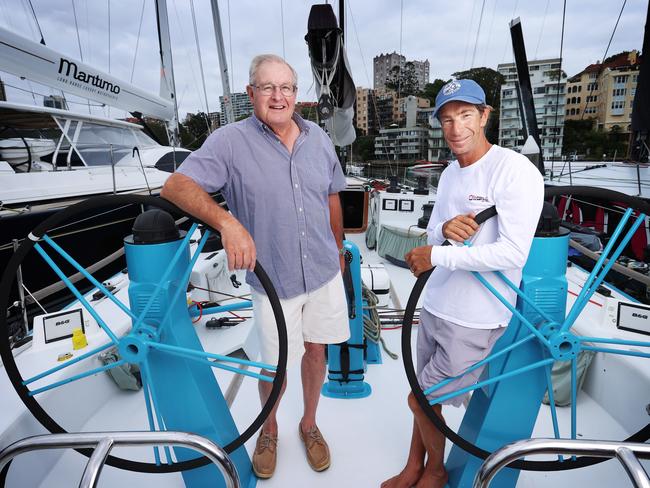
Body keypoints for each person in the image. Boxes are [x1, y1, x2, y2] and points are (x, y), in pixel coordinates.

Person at [160, 54, 350, 479]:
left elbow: (333, 195)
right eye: (267, 87)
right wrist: (227, 223)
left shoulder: (318, 138)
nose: (278, 96)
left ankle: (309, 424)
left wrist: (338, 250)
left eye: (286, 88)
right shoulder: (230, 141)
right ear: (251, 94)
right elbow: (175, 186)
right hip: (274, 278)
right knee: (275, 364)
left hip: (322, 271)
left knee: (317, 351)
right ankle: (269, 428)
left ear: (296, 94)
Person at [381, 79, 544, 488]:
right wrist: (442, 234)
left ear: (485, 115)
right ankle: (413, 467)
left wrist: (438, 254)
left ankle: (434, 471)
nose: (457, 128)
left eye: (466, 115)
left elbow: (513, 253)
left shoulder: (515, 171)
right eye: (448, 119)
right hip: (436, 304)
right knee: (426, 400)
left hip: (474, 317)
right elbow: (436, 230)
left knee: (421, 399)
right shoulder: (452, 172)